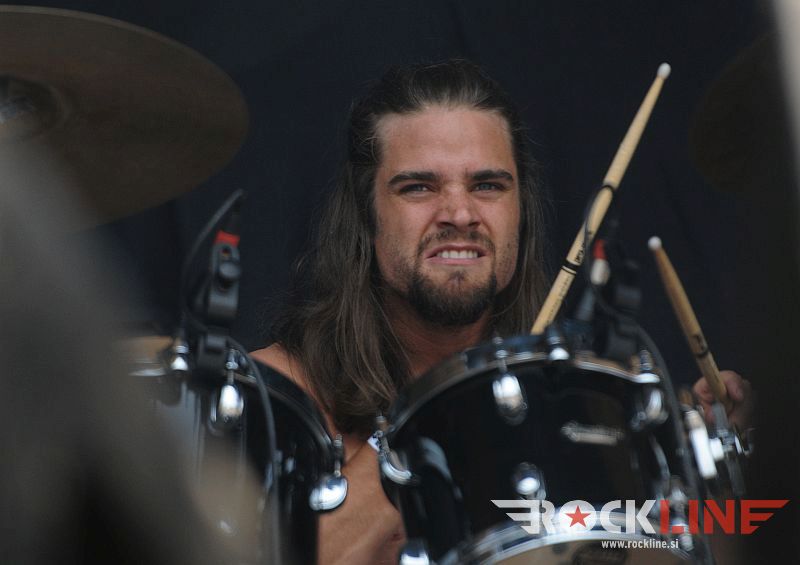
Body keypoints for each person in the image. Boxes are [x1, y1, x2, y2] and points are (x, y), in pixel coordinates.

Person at [251, 59, 752, 565]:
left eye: (487, 185)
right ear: (367, 216)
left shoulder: (578, 409)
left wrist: (702, 470)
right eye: (418, 187)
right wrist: (429, 430)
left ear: (520, 213)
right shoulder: (272, 400)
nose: (459, 214)